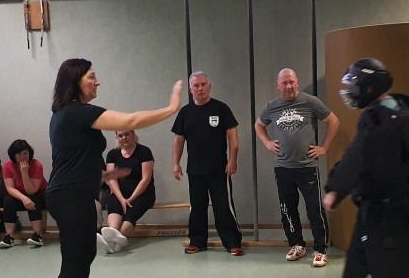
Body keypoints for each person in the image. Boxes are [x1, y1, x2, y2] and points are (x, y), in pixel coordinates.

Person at [41, 58, 181, 278]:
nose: (97, 82)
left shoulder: (66, 115)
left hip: (75, 194)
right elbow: (130, 121)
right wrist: (171, 109)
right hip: (69, 197)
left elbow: (74, 160)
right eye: (92, 77)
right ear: (76, 82)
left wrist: (105, 175)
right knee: (73, 265)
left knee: (85, 256)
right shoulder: (78, 112)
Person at [324, 58, 409, 278]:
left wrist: (335, 190)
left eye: (356, 86)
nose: (351, 92)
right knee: (362, 249)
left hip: (394, 207)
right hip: (386, 201)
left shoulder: (380, 119)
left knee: (397, 266)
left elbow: (358, 155)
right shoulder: (395, 108)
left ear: (370, 87)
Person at [255, 68, 339, 267]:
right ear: (278, 85)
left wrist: (324, 147)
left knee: (314, 209)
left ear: (297, 83)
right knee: (288, 209)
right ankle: (296, 244)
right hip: (283, 168)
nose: (289, 86)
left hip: (306, 167)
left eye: (291, 82)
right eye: (284, 82)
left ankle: (320, 249)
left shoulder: (310, 102)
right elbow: (259, 125)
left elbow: (333, 121)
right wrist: (267, 142)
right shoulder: (272, 106)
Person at [171, 71, 244, 256]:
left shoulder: (221, 108)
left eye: (203, 84)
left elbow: (233, 138)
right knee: (197, 207)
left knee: (222, 207)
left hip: (219, 169)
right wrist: (175, 163)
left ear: (209, 86)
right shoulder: (185, 112)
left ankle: (232, 243)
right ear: (191, 89)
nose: (200, 88)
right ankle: (197, 241)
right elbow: (179, 140)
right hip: (195, 170)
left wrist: (232, 160)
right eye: (196, 85)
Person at [97, 129, 156, 254]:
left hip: (143, 195)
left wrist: (131, 199)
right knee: (113, 204)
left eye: (127, 134)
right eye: (120, 135)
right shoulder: (112, 154)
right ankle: (112, 235)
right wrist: (121, 198)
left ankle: (117, 241)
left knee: (129, 215)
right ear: (117, 138)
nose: (124, 138)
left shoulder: (144, 151)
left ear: (133, 134)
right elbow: (111, 179)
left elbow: (145, 179)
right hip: (119, 194)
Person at [0, 139, 47, 248]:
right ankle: (9, 237)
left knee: (33, 197)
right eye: (19, 154)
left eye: (25, 153)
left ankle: (38, 235)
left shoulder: (36, 165)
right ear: (13, 155)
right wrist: (23, 198)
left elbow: (32, 190)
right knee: (8, 200)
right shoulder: (8, 166)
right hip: (21, 197)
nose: (23, 157)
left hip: (40, 195)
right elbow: (10, 188)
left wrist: (24, 173)